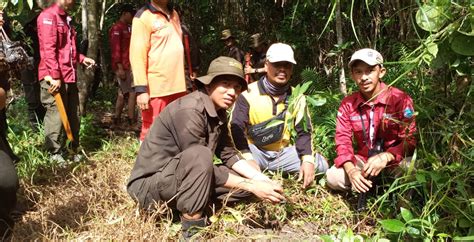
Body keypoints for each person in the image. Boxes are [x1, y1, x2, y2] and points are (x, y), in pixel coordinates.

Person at [127, 56, 285, 239]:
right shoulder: (190, 109)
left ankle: (193, 203)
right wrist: (252, 185)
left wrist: (261, 180)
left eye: (236, 87)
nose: (231, 92)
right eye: (225, 84)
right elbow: (198, 163)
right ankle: (192, 229)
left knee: (245, 178)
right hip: (149, 188)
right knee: (201, 156)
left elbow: (228, 153)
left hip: (182, 178)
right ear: (209, 85)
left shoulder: (218, 111)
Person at [230, 43, 329, 189]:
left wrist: (308, 160)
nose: (282, 69)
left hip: (281, 154)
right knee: (236, 165)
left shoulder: (297, 96)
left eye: (287, 65)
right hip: (254, 151)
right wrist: (248, 158)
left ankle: (273, 171)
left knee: (321, 165)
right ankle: (257, 170)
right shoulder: (248, 94)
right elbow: (236, 128)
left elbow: (304, 131)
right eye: (277, 65)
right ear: (267, 65)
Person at [326, 48, 416, 193]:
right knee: (333, 177)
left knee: (411, 169)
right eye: (358, 72)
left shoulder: (400, 99)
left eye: (370, 71)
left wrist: (387, 156)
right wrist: (351, 171)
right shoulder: (348, 104)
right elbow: (343, 141)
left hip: (393, 160)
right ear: (352, 75)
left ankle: (401, 204)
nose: (364, 77)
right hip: (364, 161)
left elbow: (410, 139)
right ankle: (365, 185)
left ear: (381, 72)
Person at [37, 0, 96, 163]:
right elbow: (49, 49)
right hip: (54, 77)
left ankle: (72, 148)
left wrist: (82, 59)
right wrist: (55, 75)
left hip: (69, 75)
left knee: (73, 114)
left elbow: (68, 50)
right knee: (56, 114)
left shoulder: (66, 19)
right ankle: (54, 153)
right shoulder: (48, 16)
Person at [130, 0, 187, 141]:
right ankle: (147, 162)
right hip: (156, 87)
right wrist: (141, 89)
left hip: (178, 86)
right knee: (152, 130)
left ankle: (172, 161)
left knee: (176, 127)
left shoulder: (174, 15)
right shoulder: (143, 17)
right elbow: (137, 54)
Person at [109, 4, 136, 128]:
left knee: (122, 93)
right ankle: (131, 121)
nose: (132, 17)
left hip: (129, 65)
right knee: (132, 93)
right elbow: (115, 49)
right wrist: (119, 68)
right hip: (123, 66)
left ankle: (116, 119)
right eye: (131, 14)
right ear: (125, 13)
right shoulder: (117, 28)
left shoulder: (128, 28)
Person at [21, 15, 46, 131]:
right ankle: (35, 129)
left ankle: (42, 128)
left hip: (41, 66)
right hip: (29, 67)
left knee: (43, 99)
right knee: (32, 100)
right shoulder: (26, 31)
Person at [0, 9, 19, 162]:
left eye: (2, 14)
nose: (2, 17)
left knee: (1, 119)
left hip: (2, 82)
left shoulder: (2, 33)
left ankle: (6, 152)